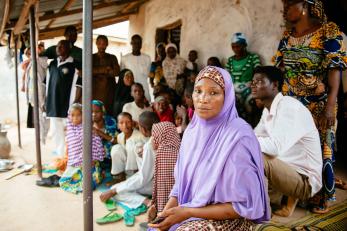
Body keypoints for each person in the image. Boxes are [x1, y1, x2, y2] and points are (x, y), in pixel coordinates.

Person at [148, 66, 269, 231]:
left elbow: (243, 206)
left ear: (227, 98)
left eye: (214, 93)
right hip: (190, 209)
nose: (203, 99)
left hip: (231, 219)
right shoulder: (191, 133)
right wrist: (165, 213)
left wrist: (187, 212)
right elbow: (181, 185)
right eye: (198, 91)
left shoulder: (239, 137)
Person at [274, 0, 347, 213]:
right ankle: (299, 192)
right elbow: (282, 72)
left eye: (290, 4)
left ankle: (322, 196)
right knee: (295, 150)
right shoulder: (286, 38)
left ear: (305, 6)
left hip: (319, 104)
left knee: (321, 149)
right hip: (292, 103)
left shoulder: (327, 32)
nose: (285, 9)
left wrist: (330, 105)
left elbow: (335, 70)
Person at [252, 66, 322, 217]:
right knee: (245, 149)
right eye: (252, 81)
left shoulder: (289, 107)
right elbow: (254, 135)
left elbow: (274, 148)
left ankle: (258, 206)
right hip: (287, 171)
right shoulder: (268, 110)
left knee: (255, 155)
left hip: (305, 182)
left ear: (275, 85)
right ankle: (268, 199)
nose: (253, 85)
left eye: (259, 81)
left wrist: (241, 141)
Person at [99, 111, 160, 209]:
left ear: (142, 129)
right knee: (123, 186)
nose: (125, 125)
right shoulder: (165, 135)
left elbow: (143, 178)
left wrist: (114, 190)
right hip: (162, 182)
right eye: (121, 123)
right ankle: (145, 200)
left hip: (155, 185)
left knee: (116, 190)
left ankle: (147, 202)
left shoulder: (149, 145)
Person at [45, 40, 81, 156]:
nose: (58, 48)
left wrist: (75, 102)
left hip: (68, 104)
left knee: (70, 132)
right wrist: (46, 101)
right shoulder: (52, 64)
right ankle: (61, 157)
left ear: (68, 48)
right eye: (57, 46)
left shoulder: (75, 64)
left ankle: (71, 157)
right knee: (56, 132)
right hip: (53, 102)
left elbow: (80, 85)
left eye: (61, 46)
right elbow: (48, 83)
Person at [59, 103, 105, 194]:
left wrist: (92, 160)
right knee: (64, 181)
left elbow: (96, 145)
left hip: (89, 163)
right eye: (72, 115)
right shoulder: (70, 131)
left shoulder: (88, 129)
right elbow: (70, 149)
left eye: (78, 115)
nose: (75, 118)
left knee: (88, 185)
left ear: (84, 115)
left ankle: (96, 175)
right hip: (75, 164)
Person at [225, 32, 261, 127]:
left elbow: (258, 72)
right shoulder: (230, 60)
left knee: (253, 104)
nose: (236, 49)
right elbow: (226, 76)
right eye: (233, 47)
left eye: (238, 46)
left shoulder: (253, 57)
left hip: (249, 88)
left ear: (244, 45)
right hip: (234, 90)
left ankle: (253, 128)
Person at [147, 122, 181, 222]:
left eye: (154, 135)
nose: (153, 139)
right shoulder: (178, 148)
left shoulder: (164, 151)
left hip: (170, 203)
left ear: (162, 135)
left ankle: (162, 219)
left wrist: (160, 211)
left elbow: (163, 187)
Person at [110, 112, 147, 182]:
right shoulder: (119, 136)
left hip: (138, 170)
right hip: (125, 170)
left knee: (132, 144)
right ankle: (119, 176)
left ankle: (133, 177)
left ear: (132, 123)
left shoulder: (140, 136)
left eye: (128, 122)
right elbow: (120, 154)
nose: (125, 125)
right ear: (118, 125)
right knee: (116, 148)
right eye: (121, 123)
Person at [92, 35, 120, 115]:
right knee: (95, 113)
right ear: (96, 43)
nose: (102, 45)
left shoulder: (112, 57)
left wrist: (96, 71)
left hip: (109, 92)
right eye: (100, 43)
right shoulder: (91, 57)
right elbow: (87, 71)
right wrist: (105, 69)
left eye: (104, 43)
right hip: (94, 91)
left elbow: (116, 72)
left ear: (107, 44)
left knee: (108, 114)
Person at [121, 34, 152, 101]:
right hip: (129, 91)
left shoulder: (147, 58)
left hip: (144, 89)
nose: (136, 45)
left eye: (138, 43)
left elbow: (148, 74)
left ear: (141, 44)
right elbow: (122, 76)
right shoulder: (125, 58)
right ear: (131, 43)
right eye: (134, 42)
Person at [92, 100, 118, 172]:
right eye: (91, 112)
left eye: (97, 112)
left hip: (109, 157)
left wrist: (100, 133)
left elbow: (116, 141)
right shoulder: (87, 123)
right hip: (93, 158)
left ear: (102, 112)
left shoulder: (110, 121)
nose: (94, 114)